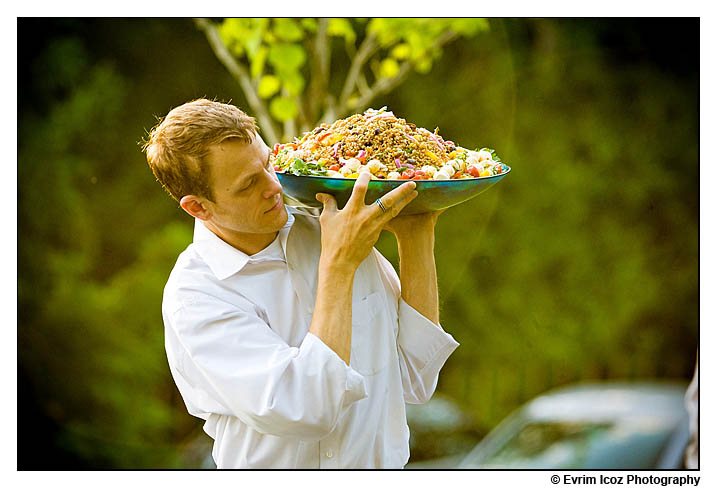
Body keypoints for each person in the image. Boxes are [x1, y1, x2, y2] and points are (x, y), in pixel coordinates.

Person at [142, 98, 459, 469]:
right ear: (198, 207)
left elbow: (414, 379)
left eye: (267, 163)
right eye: (247, 185)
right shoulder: (197, 296)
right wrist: (338, 266)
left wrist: (417, 236)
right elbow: (307, 410)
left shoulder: (330, 232)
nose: (273, 187)